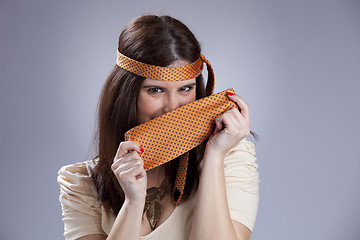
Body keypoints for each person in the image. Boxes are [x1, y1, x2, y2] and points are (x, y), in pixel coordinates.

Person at [57, 14, 259, 240]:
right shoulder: (83, 184)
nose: (172, 107)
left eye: (185, 89)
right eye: (155, 90)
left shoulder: (231, 158)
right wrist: (133, 204)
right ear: (126, 95)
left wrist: (212, 159)